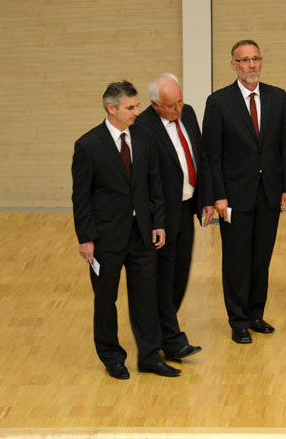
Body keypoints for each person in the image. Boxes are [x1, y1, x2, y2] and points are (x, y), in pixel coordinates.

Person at [71, 81, 180, 379]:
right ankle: (112, 357)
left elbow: (154, 183)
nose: (137, 112)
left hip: (142, 233)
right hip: (106, 238)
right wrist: (86, 239)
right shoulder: (88, 145)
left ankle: (149, 356)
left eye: (137, 105)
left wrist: (158, 223)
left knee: (146, 298)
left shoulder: (144, 137)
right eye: (130, 107)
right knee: (106, 300)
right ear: (111, 108)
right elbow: (81, 198)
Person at [203, 39, 286, 344]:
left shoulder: (277, 97)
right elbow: (211, 155)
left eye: (256, 58)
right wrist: (217, 195)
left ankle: (256, 313)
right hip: (234, 195)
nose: (252, 65)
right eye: (245, 60)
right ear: (234, 65)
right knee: (236, 260)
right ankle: (238, 320)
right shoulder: (218, 102)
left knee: (261, 257)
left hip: (269, 193)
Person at [135, 73, 214, 363]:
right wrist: (153, 220)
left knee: (180, 273)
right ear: (156, 105)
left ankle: (161, 333)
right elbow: (143, 180)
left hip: (186, 207)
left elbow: (200, 157)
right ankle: (171, 339)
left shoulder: (189, 113)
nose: (178, 108)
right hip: (161, 214)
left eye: (180, 101)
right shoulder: (143, 127)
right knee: (163, 278)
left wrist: (205, 199)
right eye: (171, 105)